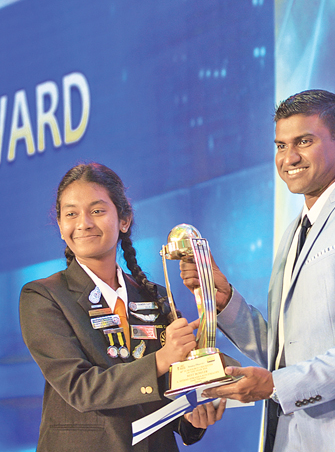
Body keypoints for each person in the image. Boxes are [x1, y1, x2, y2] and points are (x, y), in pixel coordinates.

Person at [180, 89, 335, 451]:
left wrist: (277, 385)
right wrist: (227, 303)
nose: (288, 157)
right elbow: (289, 352)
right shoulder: (294, 232)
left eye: (303, 141)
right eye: (280, 145)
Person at [19, 163, 224, 452]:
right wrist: (162, 358)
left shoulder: (155, 297)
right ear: (61, 226)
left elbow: (167, 390)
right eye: (71, 214)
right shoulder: (43, 296)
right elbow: (79, 388)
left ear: (124, 220)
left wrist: (193, 413)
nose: (84, 223)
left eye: (98, 211)